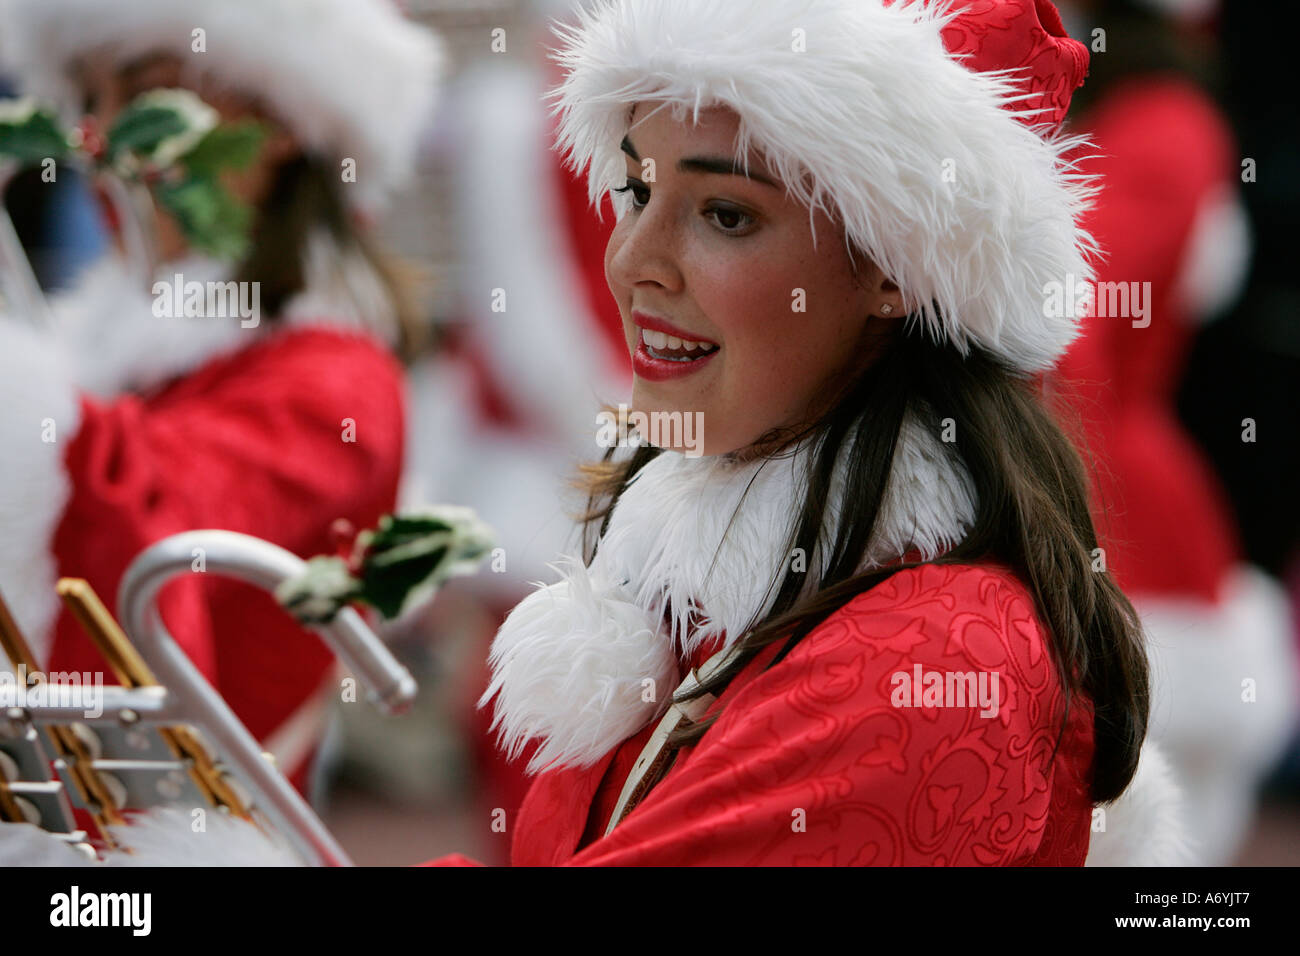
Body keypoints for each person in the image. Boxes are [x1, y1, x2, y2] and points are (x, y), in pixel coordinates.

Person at [0, 0, 443, 796]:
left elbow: (153, 518)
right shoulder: (109, 367)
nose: (102, 140)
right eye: (90, 101)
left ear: (280, 125)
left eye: (150, 94)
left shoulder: (339, 385)